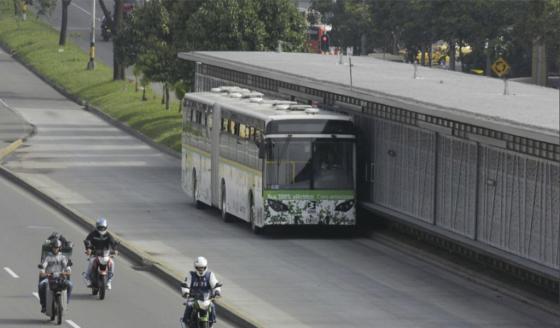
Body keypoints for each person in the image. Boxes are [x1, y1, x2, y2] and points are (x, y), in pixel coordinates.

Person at [181, 256, 222, 327]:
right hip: (193, 298)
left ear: (205, 267)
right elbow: (186, 284)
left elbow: (215, 283)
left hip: (206, 298)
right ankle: (186, 322)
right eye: (199, 268)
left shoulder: (210, 275)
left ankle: (212, 321)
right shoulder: (191, 275)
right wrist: (186, 292)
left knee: (212, 306)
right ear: (195, 267)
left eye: (202, 268)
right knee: (189, 306)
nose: (201, 269)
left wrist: (217, 291)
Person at [38, 239, 73, 313]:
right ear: (52, 247)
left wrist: (67, 272)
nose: (55, 249)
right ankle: (44, 305)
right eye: (54, 247)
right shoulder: (47, 257)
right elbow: (43, 267)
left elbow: (67, 268)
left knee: (70, 285)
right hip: (49, 278)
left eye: (57, 247)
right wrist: (43, 272)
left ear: (59, 248)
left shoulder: (63, 257)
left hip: (60, 278)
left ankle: (66, 303)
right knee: (41, 285)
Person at [83, 218, 118, 289]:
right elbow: (87, 241)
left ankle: (109, 281)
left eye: (103, 227)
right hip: (94, 253)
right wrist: (88, 249)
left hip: (105, 254)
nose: (102, 229)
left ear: (106, 227)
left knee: (112, 262)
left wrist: (115, 250)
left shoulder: (108, 235)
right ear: (97, 227)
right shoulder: (93, 234)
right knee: (91, 262)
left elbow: (113, 243)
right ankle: (87, 278)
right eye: (100, 227)